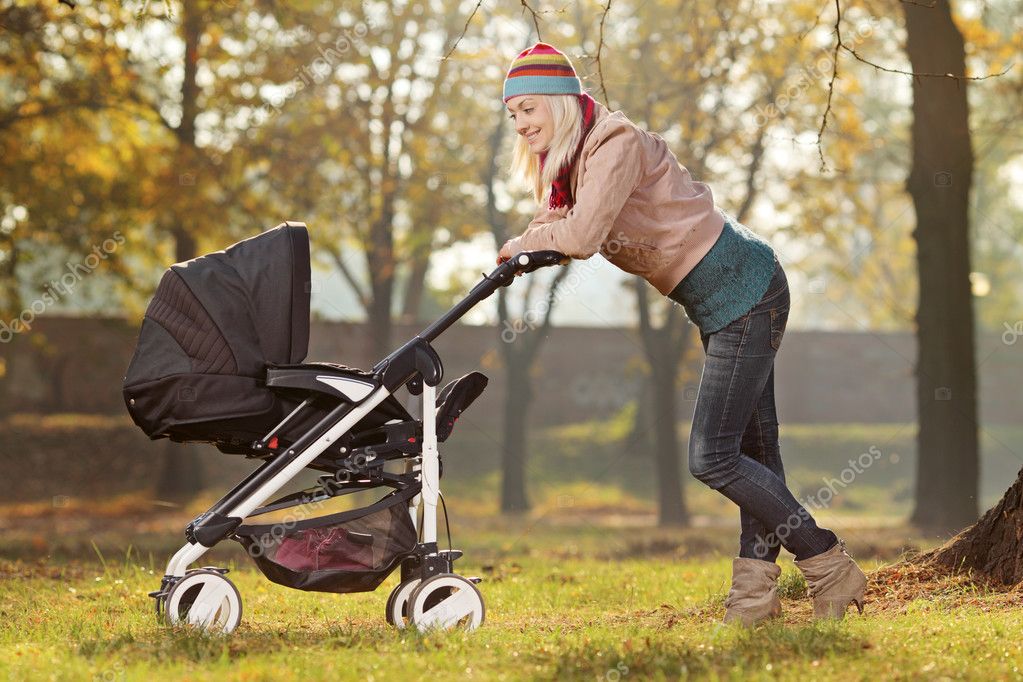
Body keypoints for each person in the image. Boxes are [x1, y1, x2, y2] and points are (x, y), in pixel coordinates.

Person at [497, 42, 867, 626]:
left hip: (748, 291)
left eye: (528, 109)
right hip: (721, 304)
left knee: (713, 457)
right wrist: (521, 246)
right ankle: (753, 601)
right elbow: (556, 223)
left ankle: (827, 563)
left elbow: (582, 234)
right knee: (756, 457)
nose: (520, 125)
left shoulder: (613, 144)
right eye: (512, 114)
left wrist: (524, 246)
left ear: (561, 101)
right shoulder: (570, 165)